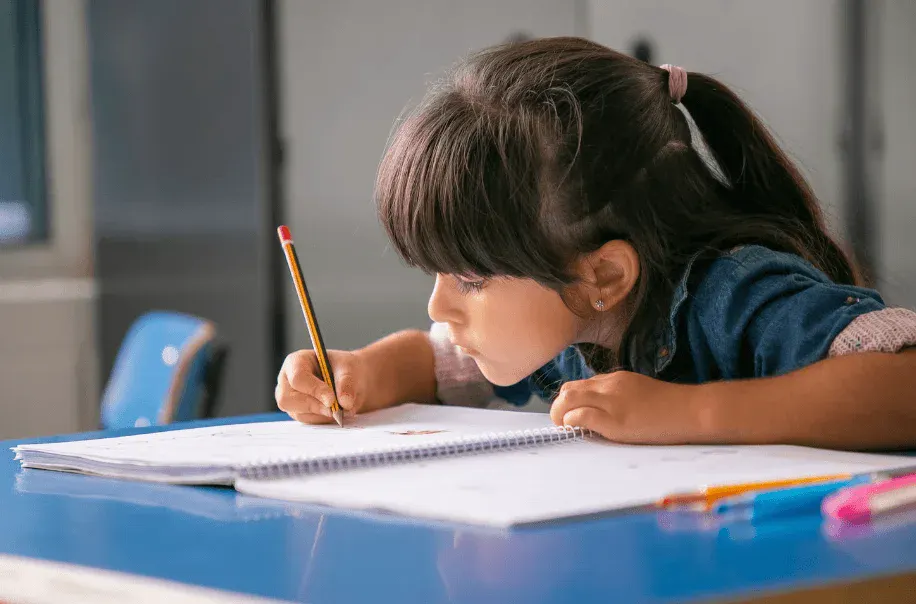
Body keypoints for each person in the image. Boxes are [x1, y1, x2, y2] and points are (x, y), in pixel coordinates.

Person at [276, 37, 916, 450]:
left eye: (472, 280)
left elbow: (903, 387)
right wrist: (358, 373)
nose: (439, 308)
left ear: (603, 275)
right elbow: (442, 364)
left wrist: (688, 414)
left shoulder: (736, 293)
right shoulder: (572, 319)